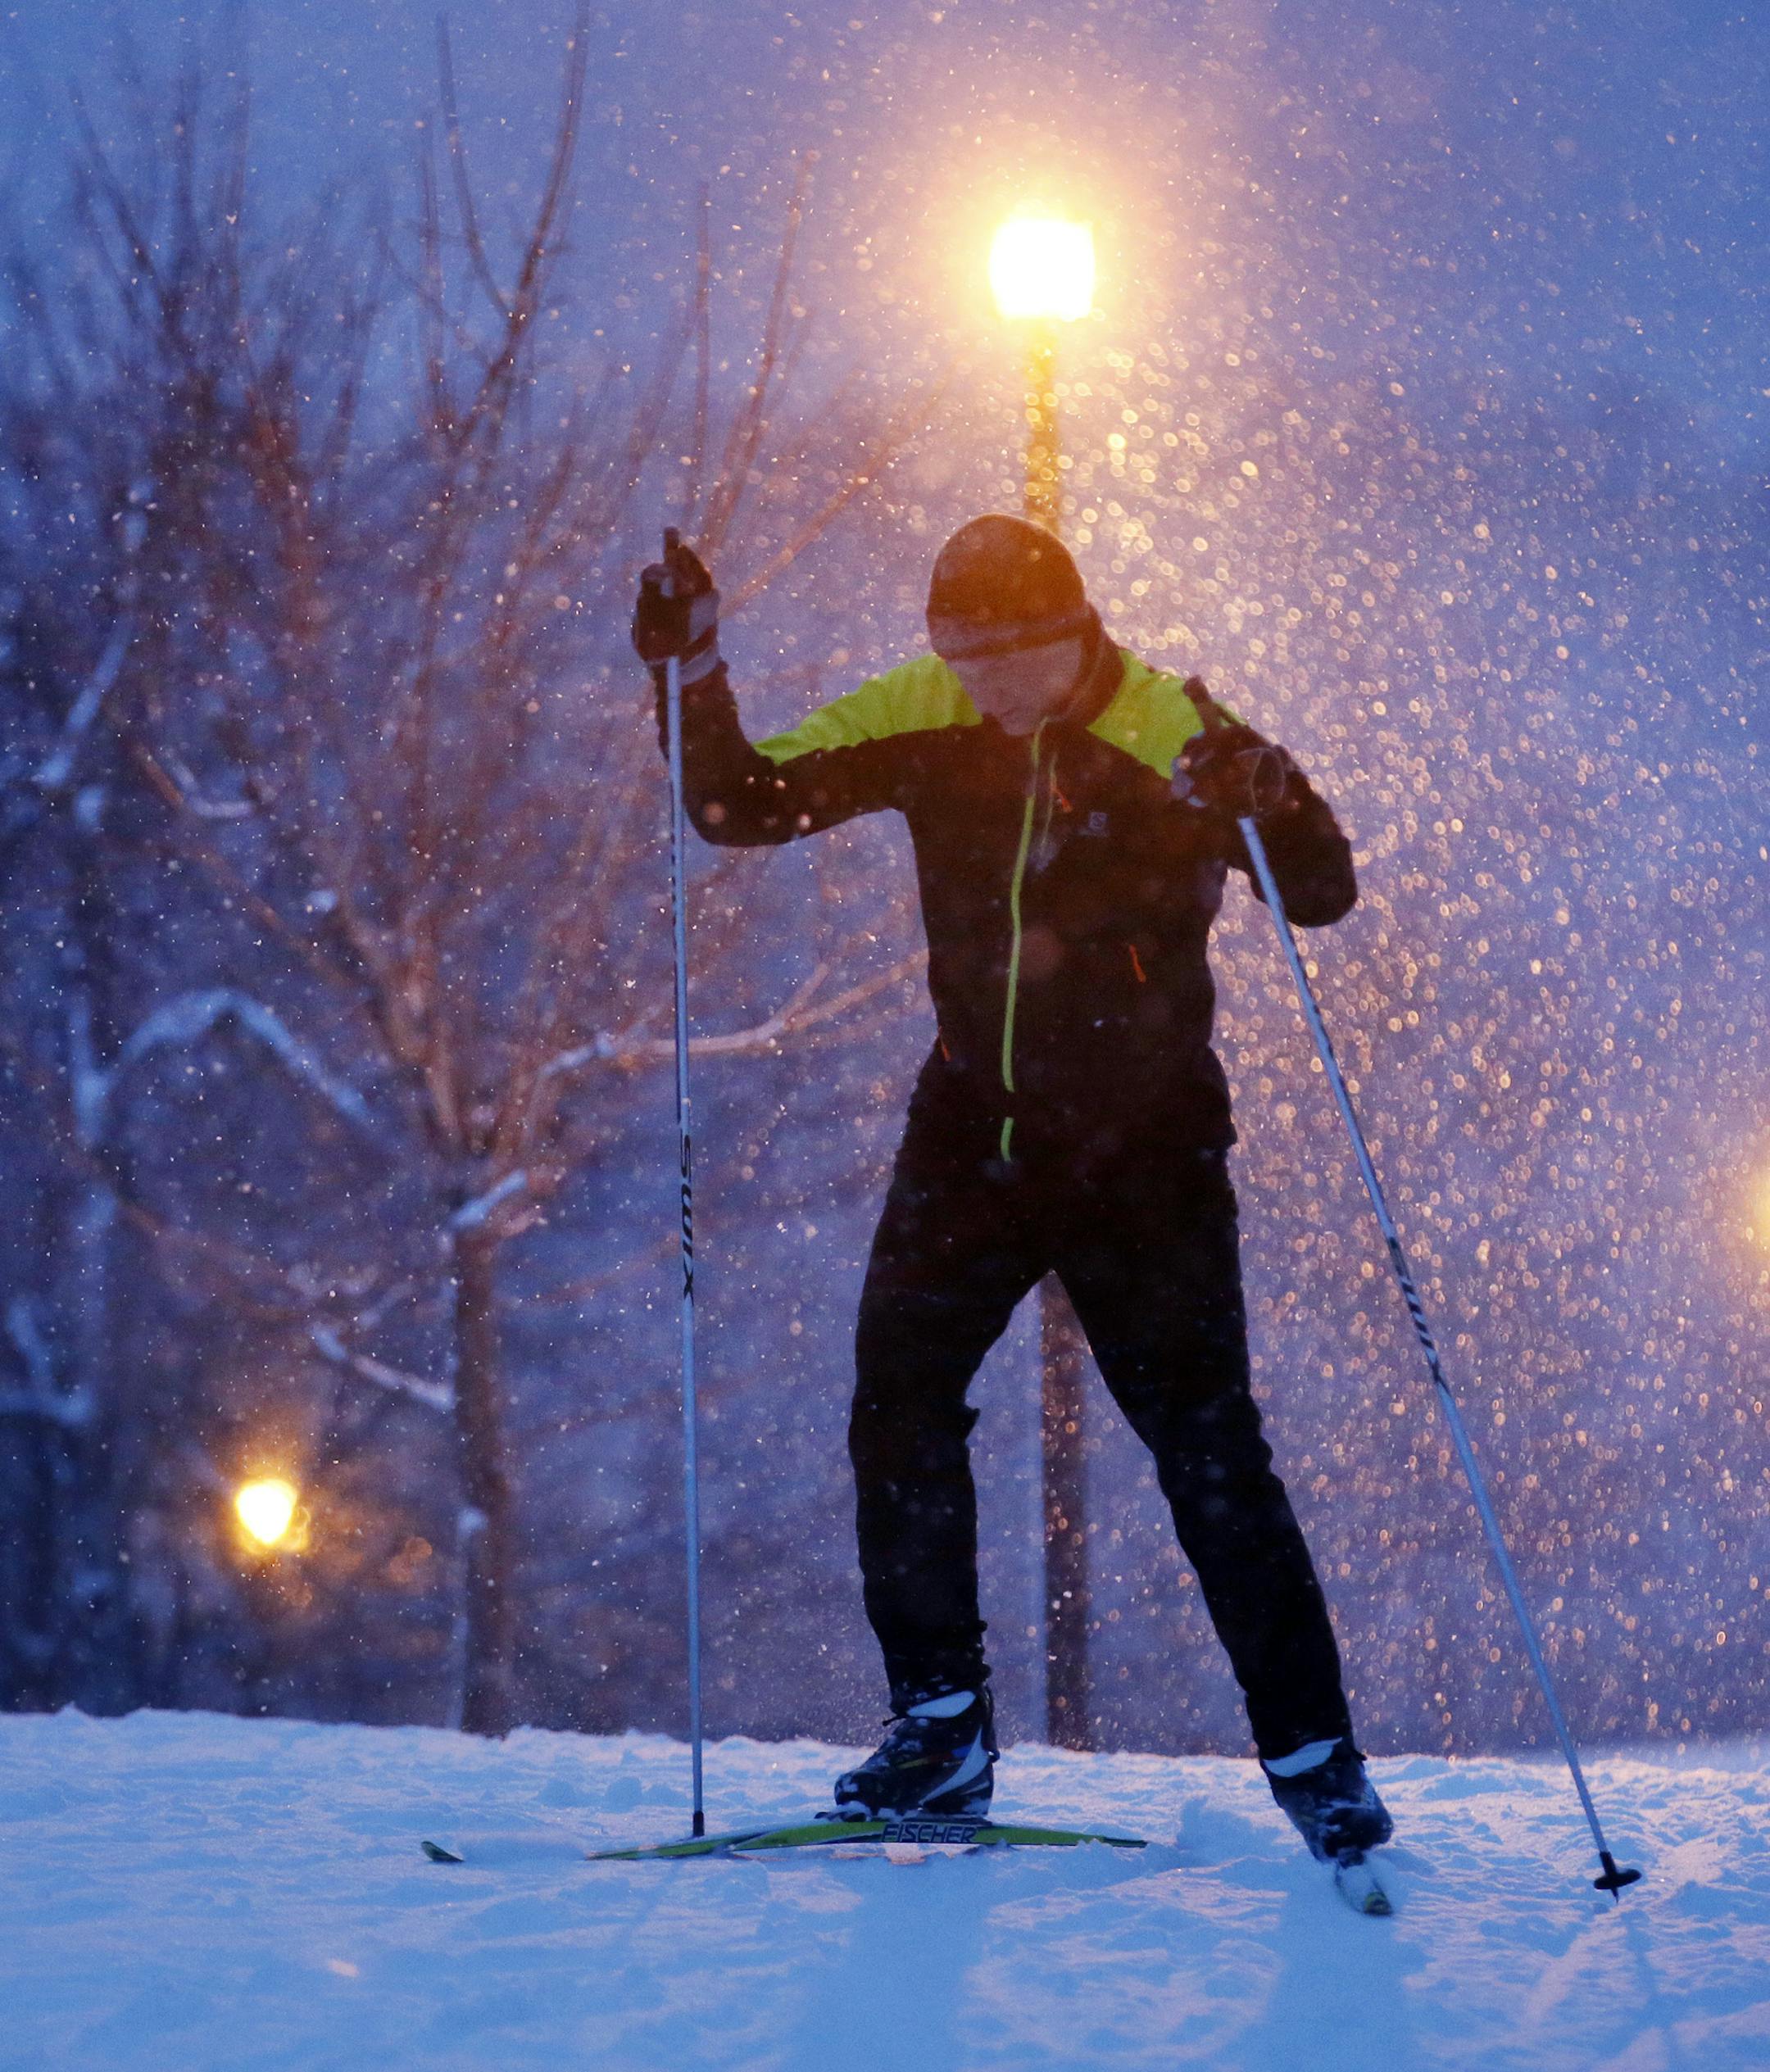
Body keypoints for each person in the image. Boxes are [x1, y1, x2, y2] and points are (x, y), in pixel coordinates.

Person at [633, 513, 1391, 1865]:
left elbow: (1320, 893)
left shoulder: (1171, 726)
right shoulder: (929, 713)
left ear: (1070, 635)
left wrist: (1274, 795)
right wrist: (693, 675)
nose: (976, 684)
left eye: (1001, 658)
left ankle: (1316, 1758)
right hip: (971, 1131)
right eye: (955, 654)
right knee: (898, 1403)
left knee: (1209, 1451)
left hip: (1142, 1153)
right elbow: (738, 804)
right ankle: (939, 1731)